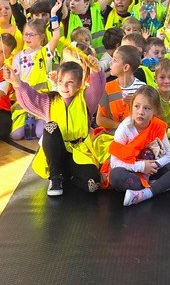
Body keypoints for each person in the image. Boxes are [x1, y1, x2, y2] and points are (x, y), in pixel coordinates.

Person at [12, 59, 106, 197]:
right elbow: (30, 99)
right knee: (50, 127)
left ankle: (67, 175)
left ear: (79, 84)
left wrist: (96, 70)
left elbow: (97, 89)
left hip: (79, 151)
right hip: (56, 153)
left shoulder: (85, 99)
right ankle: (56, 177)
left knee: (93, 184)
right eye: (61, 81)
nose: (64, 86)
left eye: (70, 82)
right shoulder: (50, 101)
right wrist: (17, 83)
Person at [109, 86, 170, 206]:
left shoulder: (158, 126)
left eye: (146, 108)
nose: (140, 112)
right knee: (115, 176)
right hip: (132, 172)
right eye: (137, 106)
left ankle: (147, 193)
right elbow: (114, 162)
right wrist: (141, 167)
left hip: (152, 171)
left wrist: (154, 165)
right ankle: (159, 185)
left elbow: (168, 155)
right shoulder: (124, 129)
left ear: (155, 111)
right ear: (131, 107)